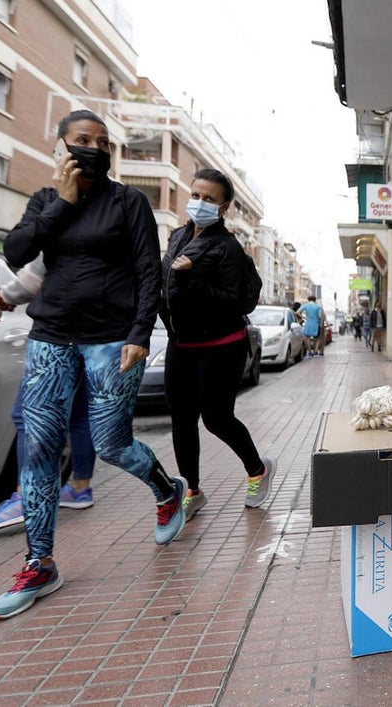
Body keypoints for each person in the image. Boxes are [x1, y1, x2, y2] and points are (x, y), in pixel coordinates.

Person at [0, 109, 186, 621]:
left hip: (112, 341)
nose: (93, 147)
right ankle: (40, 562)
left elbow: (147, 271)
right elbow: (17, 251)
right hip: (51, 337)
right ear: (61, 148)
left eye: (101, 141)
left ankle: (167, 490)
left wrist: (140, 333)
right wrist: (65, 202)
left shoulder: (129, 202)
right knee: (39, 448)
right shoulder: (46, 201)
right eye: (81, 140)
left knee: (110, 444)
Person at [161, 168, 275, 519]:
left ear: (224, 207)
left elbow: (235, 302)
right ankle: (192, 489)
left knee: (216, 418)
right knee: (181, 420)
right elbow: (163, 288)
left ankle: (257, 469)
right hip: (180, 343)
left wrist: (190, 280)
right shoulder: (177, 236)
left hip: (222, 345)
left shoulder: (228, 248)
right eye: (196, 195)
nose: (199, 203)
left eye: (209, 199)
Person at [0, 258, 97, 531]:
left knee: (27, 415)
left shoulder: (66, 220)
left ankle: (28, 497)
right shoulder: (109, 221)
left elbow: (35, 273)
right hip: (90, 331)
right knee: (78, 415)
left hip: (61, 334)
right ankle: (79, 488)